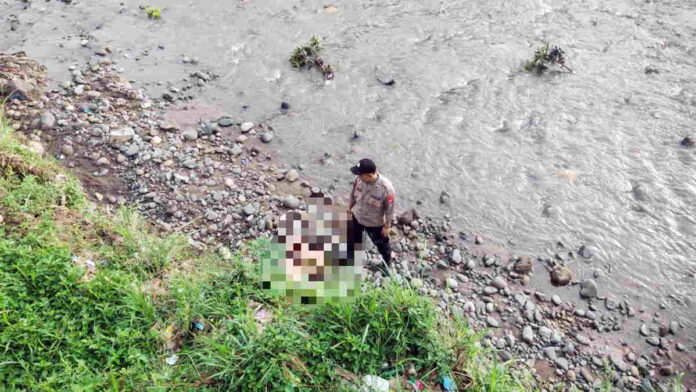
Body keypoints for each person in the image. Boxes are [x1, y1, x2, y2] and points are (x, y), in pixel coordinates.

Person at [347, 158, 396, 275]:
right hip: (357, 216)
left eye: (360, 174)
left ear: (369, 175)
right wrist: (350, 206)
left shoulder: (386, 189)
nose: (358, 176)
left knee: (382, 245)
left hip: (374, 223)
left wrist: (387, 226)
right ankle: (353, 260)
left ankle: (386, 266)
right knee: (353, 240)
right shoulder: (358, 179)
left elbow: (390, 209)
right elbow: (353, 193)